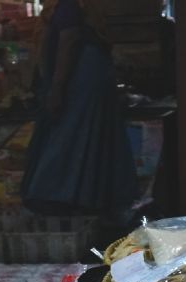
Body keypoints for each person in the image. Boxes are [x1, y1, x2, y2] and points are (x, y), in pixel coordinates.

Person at [22, 0, 138, 218]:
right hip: (87, 75)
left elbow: (69, 41)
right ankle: (89, 202)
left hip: (80, 77)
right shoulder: (78, 7)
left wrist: (57, 88)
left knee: (71, 137)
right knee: (88, 138)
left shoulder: (68, 5)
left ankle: (62, 201)